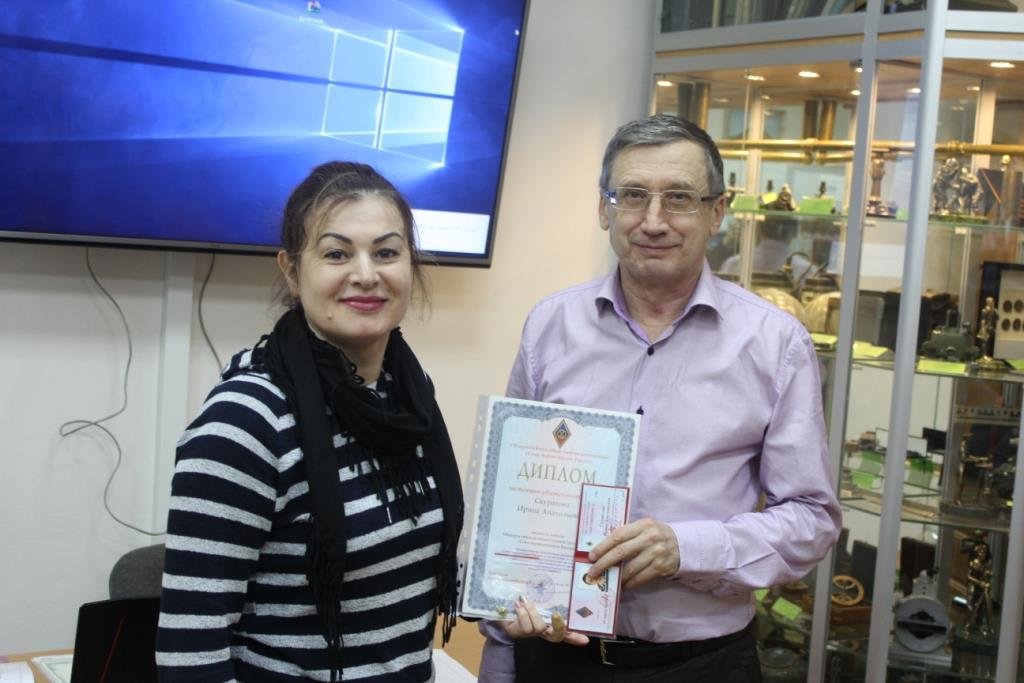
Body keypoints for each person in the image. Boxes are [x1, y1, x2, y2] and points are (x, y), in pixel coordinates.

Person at [479, 115, 841, 682]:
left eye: (678, 198)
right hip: (554, 655)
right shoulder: (550, 325)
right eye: (632, 196)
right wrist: (500, 661)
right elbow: (512, 507)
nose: (653, 221)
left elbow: (812, 520)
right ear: (605, 210)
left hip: (700, 665)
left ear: (717, 212)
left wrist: (687, 548)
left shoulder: (775, 343)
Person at [156, 162, 463, 682]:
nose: (366, 274)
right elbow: (190, 650)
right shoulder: (246, 421)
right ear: (292, 271)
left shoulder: (409, 397)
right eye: (337, 254)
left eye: (386, 253)